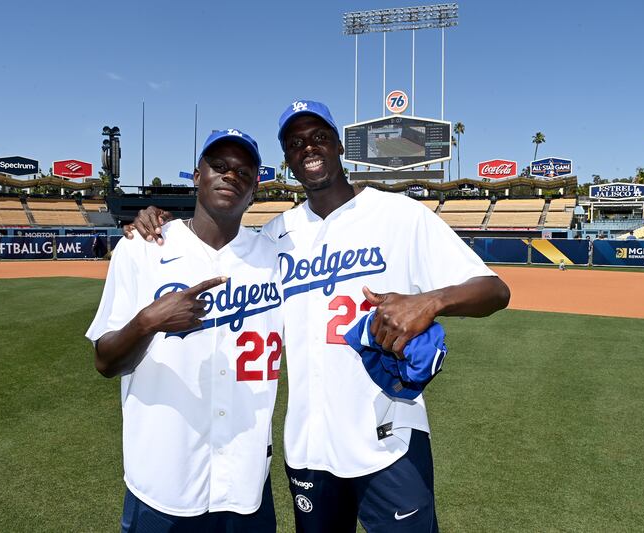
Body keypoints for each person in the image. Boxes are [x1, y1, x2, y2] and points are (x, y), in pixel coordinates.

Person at [126, 100, 510, 532]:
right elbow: (218, 244)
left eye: (319, 137)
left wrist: (431, 301)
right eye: (295, 143)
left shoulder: (399, 215)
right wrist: (154, 220)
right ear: (288, 160)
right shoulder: (275, 237)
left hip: (389, 437)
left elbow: (494, 290)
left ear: (340, 145)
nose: (308, 147)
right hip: (309, 450)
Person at [86, 129, 282, 532]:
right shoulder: (143, 248)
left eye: (244, 172)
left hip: (246, 485)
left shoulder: (276, 258)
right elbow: (105, 361)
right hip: (163, 484)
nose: (231, 176)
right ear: (197, 176)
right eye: (220, 167)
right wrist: (148, 321)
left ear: (255, 189)